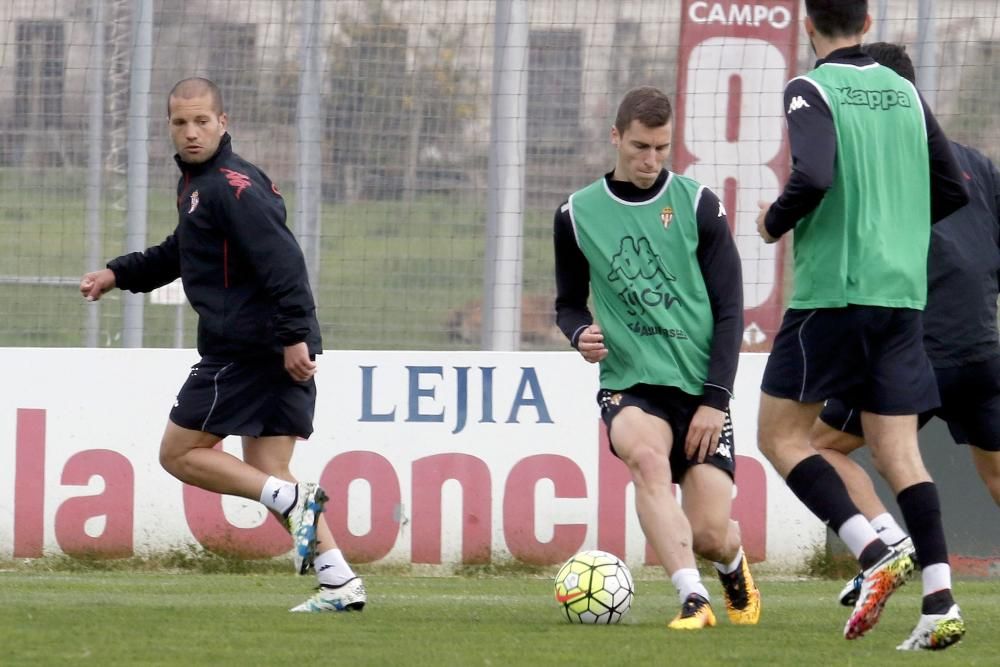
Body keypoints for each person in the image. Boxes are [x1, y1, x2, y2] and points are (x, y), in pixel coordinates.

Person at [79, 78, 365, 613]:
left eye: (202, 122)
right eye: (181, 123)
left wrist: (295, 335)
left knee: (180, 453)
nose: (191, 133)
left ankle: (295, 511)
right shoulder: (198, 186)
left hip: (250, 349)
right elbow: (179, 252)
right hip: (271, 344)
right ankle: (340, 584)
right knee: (272, 475)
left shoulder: (231, 186)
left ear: (223, 122)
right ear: (169, 126)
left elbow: (284, 261)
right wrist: (118, 274)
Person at [754, 1, 970, 650]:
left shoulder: (810, 86)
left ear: (807, 23)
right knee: (899, 453)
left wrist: (774, 220)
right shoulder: (904, 90)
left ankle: (871, 547)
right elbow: (952, 186)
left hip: (834, 293)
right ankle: (939, 602)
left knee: (783, 437)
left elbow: (813, 175)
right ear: (868, 22)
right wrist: (895, 228)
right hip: (901, 295)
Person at [554, 85, 760, 630]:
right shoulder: (576, 215)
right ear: (616, 137)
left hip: (699, 394)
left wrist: (716, 400)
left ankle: (732, 568)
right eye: (641, 147)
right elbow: (568, 304)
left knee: (712, 533)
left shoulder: (697, 205)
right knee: (646, 462)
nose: (650, 161)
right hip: (631, 384)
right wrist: (579, 335)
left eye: (662, 149)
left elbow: (731, 309)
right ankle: (693, 598)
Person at [809, 40, 1000, 616]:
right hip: (979, 350)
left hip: (909, 350)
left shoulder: (872, 166)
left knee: (818, 447)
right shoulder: (978, 164)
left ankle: (889, 547)